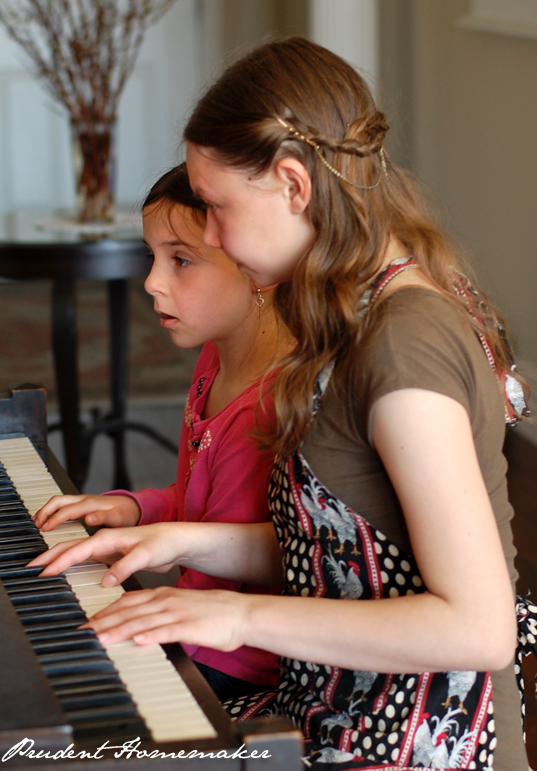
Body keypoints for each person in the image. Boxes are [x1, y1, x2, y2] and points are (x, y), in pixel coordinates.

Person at [32, 39, 532, 769]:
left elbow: (479, 627)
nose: (209, 232)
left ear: (294, 185)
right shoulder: (347, 310)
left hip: (420, 742)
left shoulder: (402, 346)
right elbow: (345, 556)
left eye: (214, 206)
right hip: (332, 699)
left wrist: (234, 613)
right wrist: (181, 537)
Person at [32, 163, 292, 700]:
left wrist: (155, 551)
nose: (152, 281)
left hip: (237, 658)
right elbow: (208, 501)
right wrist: (135, 509)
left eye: (181, 260)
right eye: (153, 258)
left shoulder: (272, 400)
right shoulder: (214, 358)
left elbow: (278, 548)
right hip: (195, 623)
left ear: (256, 265)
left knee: (62, 684)